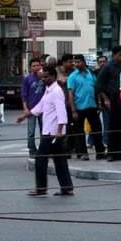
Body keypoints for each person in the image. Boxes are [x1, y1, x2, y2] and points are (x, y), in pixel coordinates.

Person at [27, 65, 74, 196]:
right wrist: (26, 115)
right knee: (60, 160)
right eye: (42, 78)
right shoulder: (48, 90)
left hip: (53, 133)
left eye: (46, 77)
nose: (44, 80)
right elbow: (40, 106)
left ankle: (41, 188)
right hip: (49, 130)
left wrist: (59, 130)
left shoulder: (57, 91)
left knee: (40, 159)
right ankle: (66, 187)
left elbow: (61, 112)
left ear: (53, 76)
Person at [66, 56, 102, 160]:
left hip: (92, 106)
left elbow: (96, 89)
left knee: (97, 129)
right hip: (79, 108)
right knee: (79, 132)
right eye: (75, 62)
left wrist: (99, 102)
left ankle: (100, 152)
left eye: (79, 62)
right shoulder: (72, 76)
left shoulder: (91, 74)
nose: (77, 64)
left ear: (84, 62)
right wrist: (73, 110)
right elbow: (70, 94)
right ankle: (82, 153)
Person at [96, 45, 121, 160]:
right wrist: (105, 99)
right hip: (111, 101)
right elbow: (99, 85)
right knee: (112, 127)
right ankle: (110, 153)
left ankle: (119, 152)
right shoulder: (107, 67)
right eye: (120, 55)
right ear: (114, 55)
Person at [21, 58, 45, 156]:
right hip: (31, 109)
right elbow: (24, 94)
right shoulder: (27, 79)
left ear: (41, 66)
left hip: (43, 109)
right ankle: (32, 150)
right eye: (33, 66)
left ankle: (43, 149)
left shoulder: (44, 77)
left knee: (44, 130)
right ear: (30, 68)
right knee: (31, 131)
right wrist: (25, 108)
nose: (36, 68)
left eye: (37, 65)